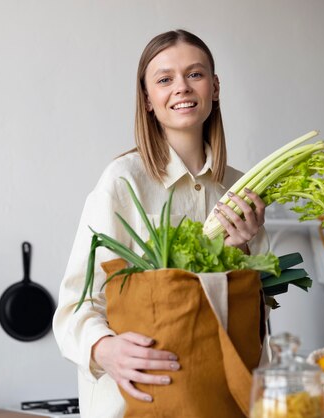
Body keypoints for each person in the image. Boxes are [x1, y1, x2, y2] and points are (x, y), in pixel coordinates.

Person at [52, 29, 269, 418]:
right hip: (140, 401)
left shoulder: (240, 189)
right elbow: (75, 306)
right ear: (148, 99)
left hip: (225, 399)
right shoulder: (123, 182)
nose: (182, 88)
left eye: (195, 74)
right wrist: (104, 348)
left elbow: (260, 307)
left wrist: (244, 249)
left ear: (215, 87)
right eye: (165, 79)